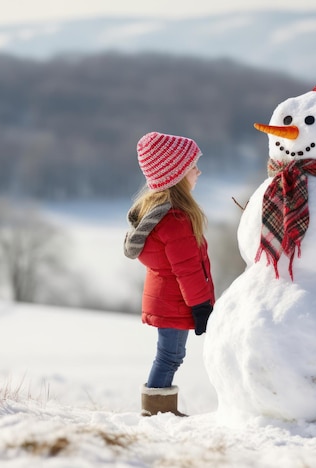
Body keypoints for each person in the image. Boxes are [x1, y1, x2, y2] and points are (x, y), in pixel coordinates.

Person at [123, 131, 216, 417]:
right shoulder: (176, 218)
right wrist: (201, 306)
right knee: (170, 356)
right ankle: (156, 412)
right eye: (192, 166)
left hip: (168, 299)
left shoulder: (162, 212)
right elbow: (187, 268)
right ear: (175, 174)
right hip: (176, 301)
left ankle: (158, 410)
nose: (198, 171)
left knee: (170, 355)